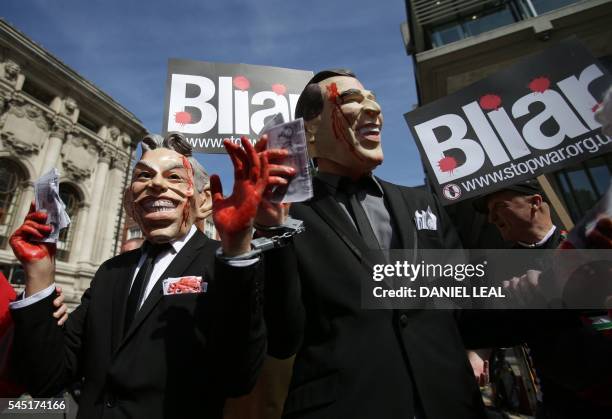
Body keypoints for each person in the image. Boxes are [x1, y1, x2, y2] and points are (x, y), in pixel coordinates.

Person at [257, 69, 549, 419]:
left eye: (373, 98)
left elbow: (467, 309)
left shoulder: (423, 204)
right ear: (309, 131)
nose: (373, 108)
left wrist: (541, 278)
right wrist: (272, 233)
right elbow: (283, 335)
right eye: (351, 99)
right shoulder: (287, 216)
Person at [8, 133, 272, 418]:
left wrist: (236, 253)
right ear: (130, 201)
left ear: (204, 200)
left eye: (174, 178)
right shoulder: (110, 272)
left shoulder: (225, 265)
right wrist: (39, 274)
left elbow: (238, 377)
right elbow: (46, 380)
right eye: (143, 176)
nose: (155, 184)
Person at [473, 180, 612, 417]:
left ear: (535, 203)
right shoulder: (498, 268)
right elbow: (489, 318)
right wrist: (477, 354)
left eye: (498, 207)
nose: (491, 219)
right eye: (489, 213)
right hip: (557, 398)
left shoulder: (585, 246)